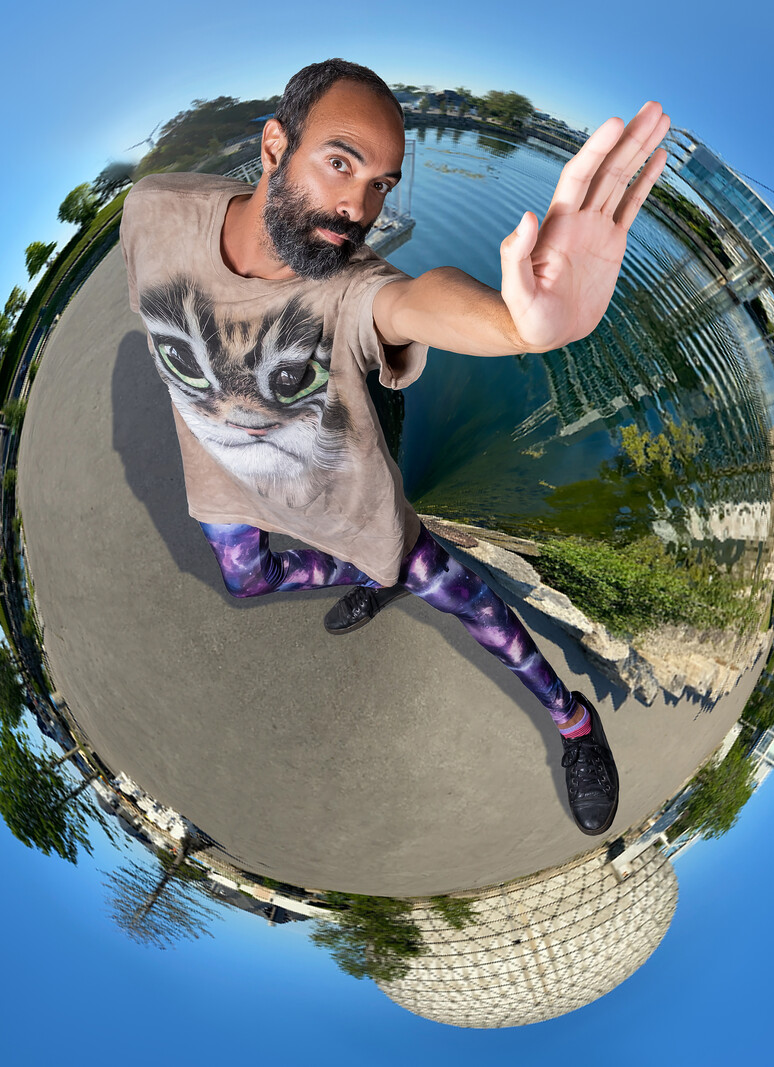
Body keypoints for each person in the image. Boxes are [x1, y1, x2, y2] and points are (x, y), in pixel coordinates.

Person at [120, 58, 669, 837]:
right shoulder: (152, 212)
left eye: (381, 184)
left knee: (468, 601)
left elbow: (410, 300)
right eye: (341, 162)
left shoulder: (346, 286)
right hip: (218, 484)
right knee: (245, 582)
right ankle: (370, 578)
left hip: (350, 507)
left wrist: (519, 328)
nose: (358, 207)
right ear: (275, 144)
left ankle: (574, 721)